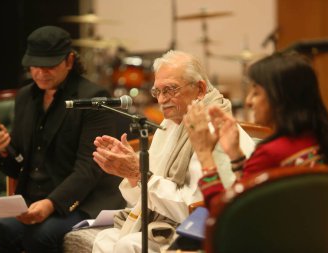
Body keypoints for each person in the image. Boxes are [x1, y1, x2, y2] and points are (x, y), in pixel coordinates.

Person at [69, 50, 251, 253]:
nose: (162, 100)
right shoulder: (171, 124)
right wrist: (130, 174)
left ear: (200, 89)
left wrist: (138, 174)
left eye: (171, 90)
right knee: (104, 239)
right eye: (157, 92)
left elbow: (192, 209)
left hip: (198, 229)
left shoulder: (211, 130)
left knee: (127, 245)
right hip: (165, 219)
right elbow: (143, 197)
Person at [0, 26, 127, 253]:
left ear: (69, 61)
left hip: (82, 201)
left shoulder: (93, 98)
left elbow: (88, 169)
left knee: (40, 237)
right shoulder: (25, 97)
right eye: (34, 66)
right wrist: (4, 150)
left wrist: (51, 204)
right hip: (33, 200)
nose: (40, 73)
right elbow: (18, 165)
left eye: (48, 66)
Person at [184, 52, 328, 208]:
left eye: (256, 93)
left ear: (281, 99)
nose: (248, 102)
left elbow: (221, 212)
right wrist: (236, 155)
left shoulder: (271, 153)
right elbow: (249, 190)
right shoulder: (319, 139)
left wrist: (204, 154)